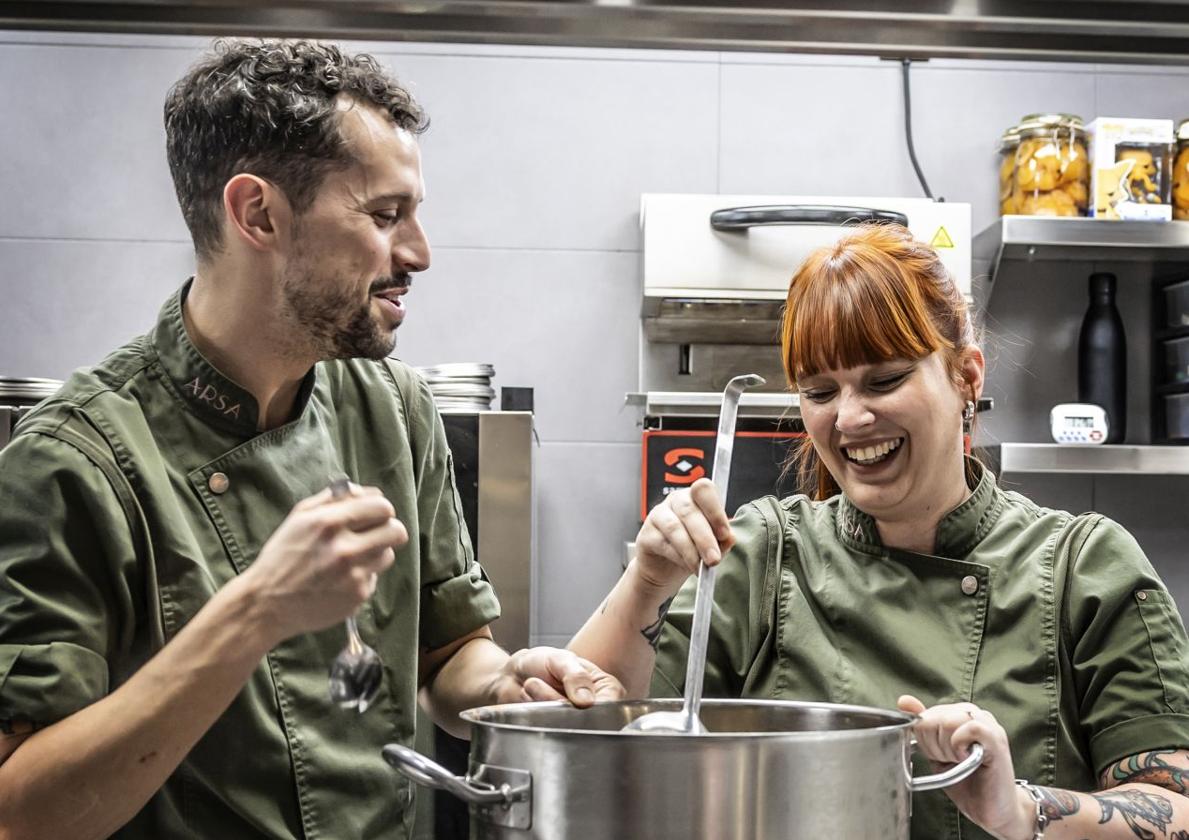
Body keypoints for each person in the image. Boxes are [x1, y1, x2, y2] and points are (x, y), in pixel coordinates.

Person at [0, 39, 621, 840]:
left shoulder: (392, 407)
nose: (419, 254)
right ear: (258, 213)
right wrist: (256, 610)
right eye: (384, 215)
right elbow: (23, 813)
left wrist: (507, 681)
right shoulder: (73, 462)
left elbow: (446, 659)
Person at [570, 223, 1189, 839]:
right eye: (819, 391)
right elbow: (589, 742)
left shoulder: (1084, 565)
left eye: (884, 379)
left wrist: (1022, 808)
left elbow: (1176, 808)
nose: (850, 417)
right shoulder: (761, 553)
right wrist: (647, 582)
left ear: (966, 377)